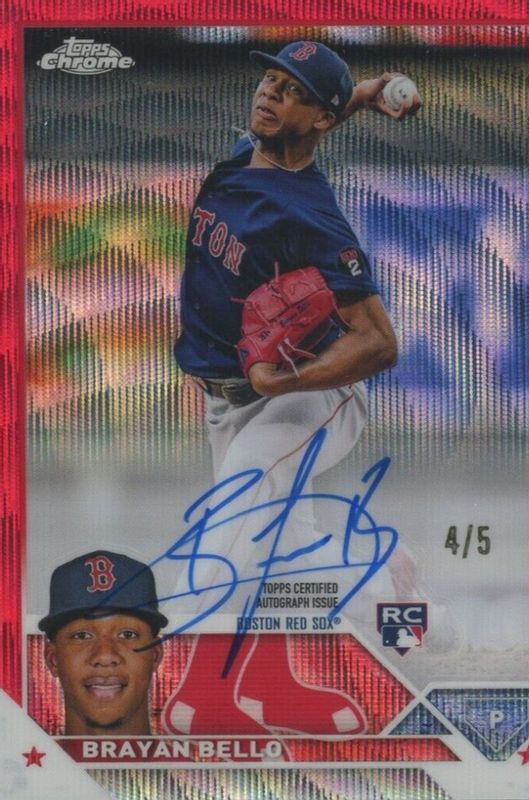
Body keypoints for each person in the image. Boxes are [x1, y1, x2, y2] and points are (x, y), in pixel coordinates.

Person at [164, 41, 420, 740]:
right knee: (282, 554)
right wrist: (361, 92)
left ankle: (188, 680)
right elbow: (304, 129)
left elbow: (378, 342)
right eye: (271, 80)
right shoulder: (245, 154)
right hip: (231, 397)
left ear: (319, 119)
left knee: (232, 512)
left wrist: (286, 379)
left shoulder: (315, 216)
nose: (270, 94)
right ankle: (357, 611)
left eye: (293, 90)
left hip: (308, 397)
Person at [39, 550, 168, 736]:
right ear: (53, 660)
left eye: (127, 634)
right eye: (82, 636)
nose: (105, 656)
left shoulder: (193, 757)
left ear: (155, 655)